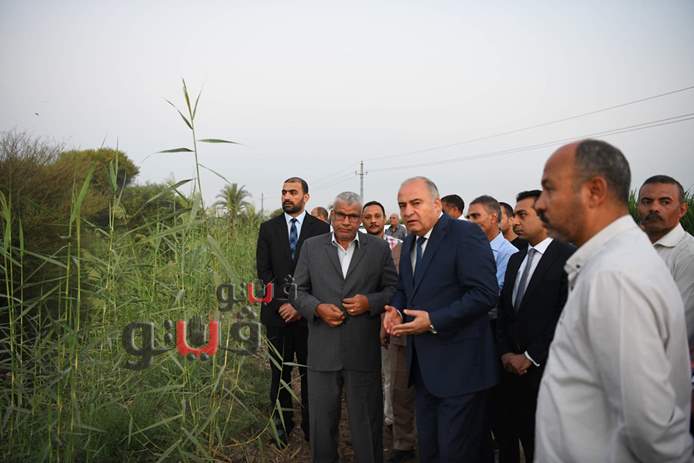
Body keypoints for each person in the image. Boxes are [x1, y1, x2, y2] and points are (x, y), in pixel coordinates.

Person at [534, 139, 693, 462]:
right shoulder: (612, 263)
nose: (540, 204)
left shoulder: (615, 276)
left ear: (595, 191)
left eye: (549, 189)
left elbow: (653, 428)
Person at [384, 177, 499, 462]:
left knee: (455, 453)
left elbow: (485, 294)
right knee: (430, 450)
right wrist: (395, 310)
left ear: (437, 204)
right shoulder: (410, 241)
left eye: (415, 203)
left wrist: (434, 320)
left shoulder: (465, 234)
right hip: (424, 371)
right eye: (402, 205)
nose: (408, 211)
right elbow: (405, 289)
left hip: (461, 370)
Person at [292, 192, 398, 463]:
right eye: (341, 215)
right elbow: (296, 291)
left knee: (367, 422)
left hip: (362, 350)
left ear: (360, 219)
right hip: (322, 350)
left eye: (353, 216)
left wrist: (369, 303)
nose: (347, 222)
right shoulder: (311, 247)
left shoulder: (378, 249)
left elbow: (393, 290)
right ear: (332, 216)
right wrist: (317, 308)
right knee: (322, 423)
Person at [495, 189, 574, 463]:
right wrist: (505, 352)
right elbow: (505, 311)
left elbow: (566, 316)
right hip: (510, 370)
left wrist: (530, 356)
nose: (515, 221)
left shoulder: (568, 257)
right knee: (510, 435)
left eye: (522, 214)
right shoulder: (516, 258)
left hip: (545, 371)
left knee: (541, 445)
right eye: (514, 215)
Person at [256, 177, 330, 446]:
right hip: (277, 316)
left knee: (312, 375)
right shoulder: (268, 228)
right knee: (279, 375)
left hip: (309, 318)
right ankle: (281, 428)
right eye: (284, 192)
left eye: (293, 192)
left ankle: (313, 429)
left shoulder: (322, 229)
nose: (287, 197)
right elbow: (264, 273)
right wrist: (282, 304)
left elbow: (324, 274)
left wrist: (300, 306)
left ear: (306, 197)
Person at [362, 200, 417, 463]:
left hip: (394, 322)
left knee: (395, 380)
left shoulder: (399, 248)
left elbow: (397, 288)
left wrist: (389, 317)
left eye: (377, 216)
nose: (373, 220)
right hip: (365, 321)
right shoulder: (357, 247)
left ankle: (394, 425)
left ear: (385, 219)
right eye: (368, 216)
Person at [637, 175, 694, 347]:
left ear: (682, 210)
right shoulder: (629, 247)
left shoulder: (688, 255)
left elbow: (680, 326)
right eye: (646, 202)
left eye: (665, 202)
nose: (654, 208)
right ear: (638, 207)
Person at [467, 195, 518, 289]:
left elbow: (494, 290)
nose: (470, 221)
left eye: (475, 216)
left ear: (493, 218)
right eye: (468, 217)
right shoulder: (467, 248)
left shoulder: (509, 253)